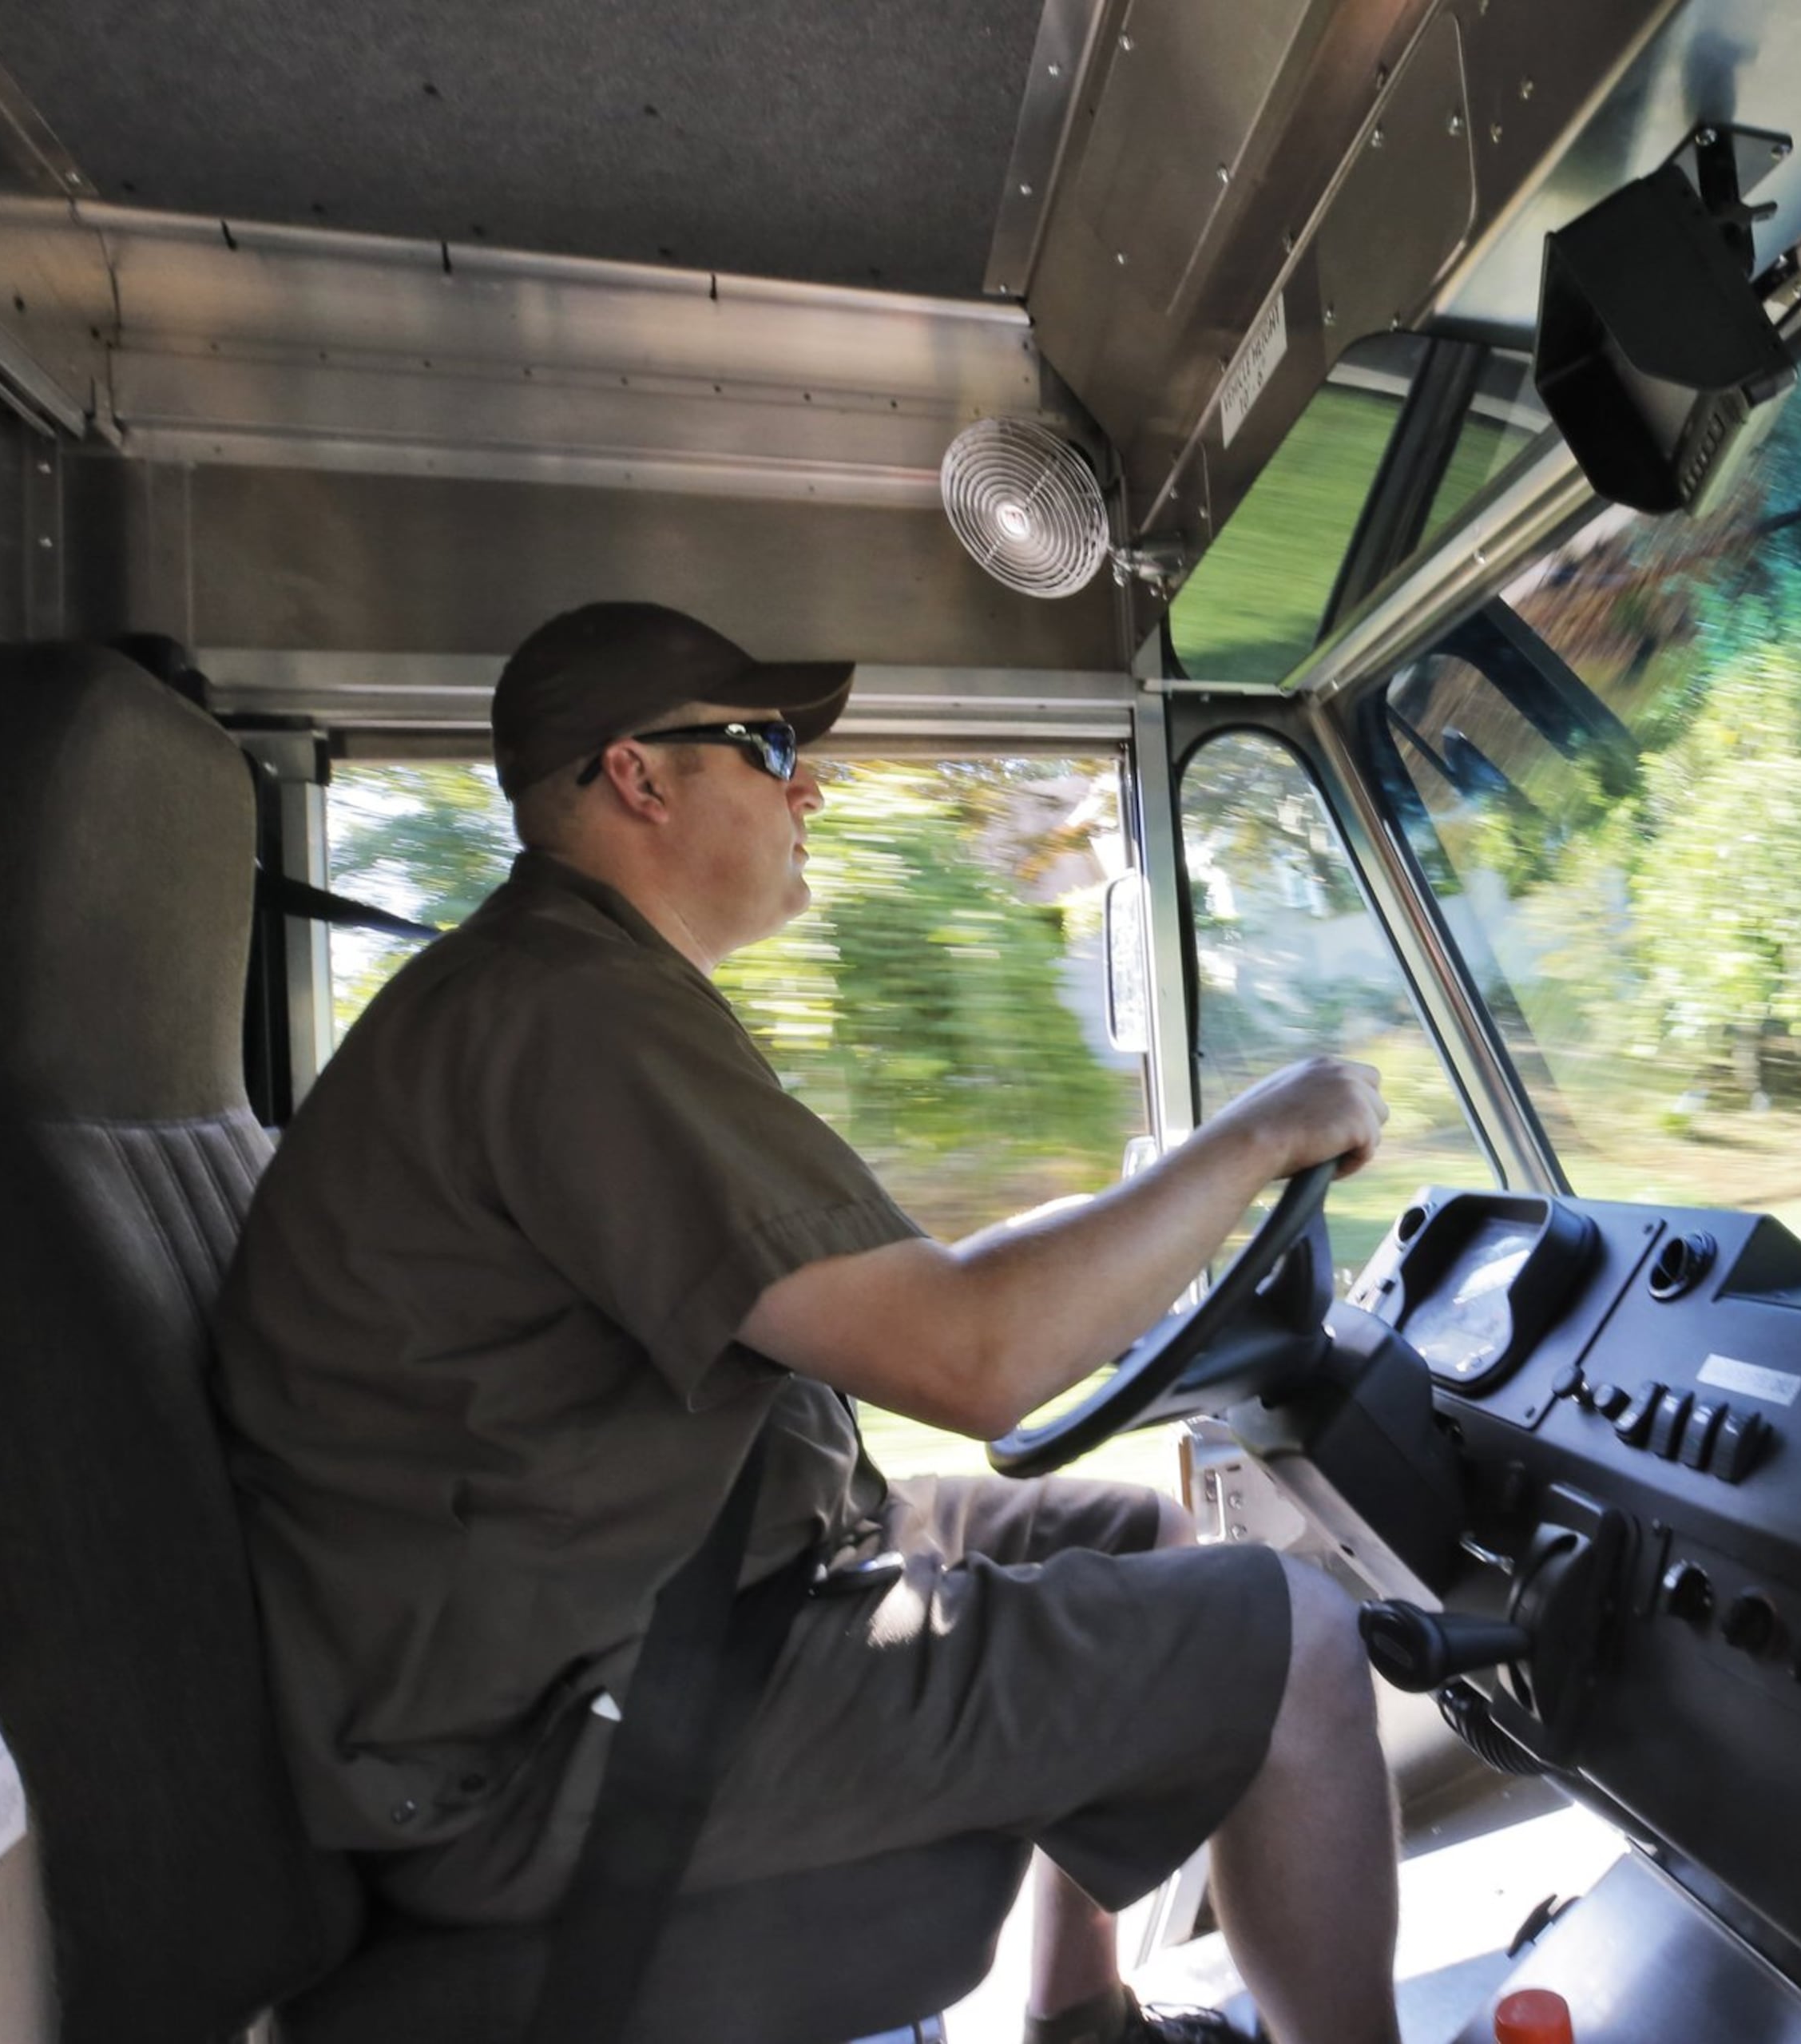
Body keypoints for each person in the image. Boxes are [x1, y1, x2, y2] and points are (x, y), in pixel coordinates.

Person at [212, 601, 1404, 2044]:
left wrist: (1154, 1208)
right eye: (770, 746)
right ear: (639, 777)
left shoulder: (567, 990)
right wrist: (1263, 1135)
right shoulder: (569, 1018)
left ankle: (1079, 2018)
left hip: (627, 1602)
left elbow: (925, 1285)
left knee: (1133, 1531)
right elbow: (973, 1356)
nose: (810, 785)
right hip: (543, 1739)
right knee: (1299, 1634)